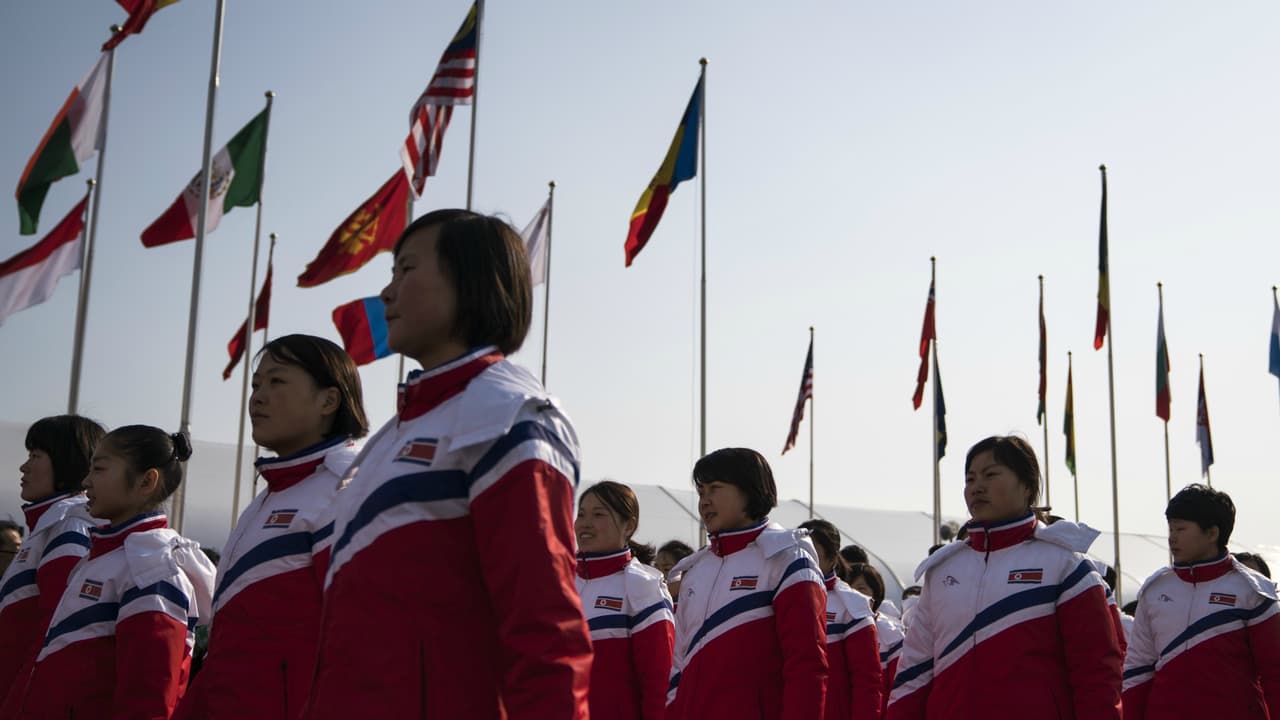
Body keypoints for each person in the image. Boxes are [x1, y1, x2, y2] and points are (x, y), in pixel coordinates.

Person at [305, 210, 591, 719]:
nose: (387, 293)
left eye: (407, 270)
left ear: (471, 280)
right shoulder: (386, 442)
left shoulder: (504, 414)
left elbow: (545, 626)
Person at [176, 334, 368, 720]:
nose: (257, 397)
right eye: (256, 385)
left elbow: (362, 641)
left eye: (276, 382)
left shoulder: (346, 487)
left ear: (328, 400)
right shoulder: (269, 498)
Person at [887, 435, 1122, 719]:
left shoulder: (1066, 566)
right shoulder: (943, 570)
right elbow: (914, 671)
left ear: (1027, 485)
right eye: (970, 479)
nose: (977, 487)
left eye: (991, 475)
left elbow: (1096, 673)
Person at [6, 426, 215, 719]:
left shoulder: (152, 568)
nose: (86, 481)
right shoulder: (103, 556)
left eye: (99, 469)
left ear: (146, 481)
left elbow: (149, 698)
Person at [666, 448, 827, 720]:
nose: (704, 501)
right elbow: (677, 666)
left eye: (715, 488)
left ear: (751, 491)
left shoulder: (787, 559)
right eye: (701, 491)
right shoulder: (694, 570)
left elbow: (806, 666)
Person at [1122, 484, 1280, 718]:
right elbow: (1138, 669)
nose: (1172, 538)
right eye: (1170, 529)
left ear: (1212, 533)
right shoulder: (1155, 590)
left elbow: (1274, 672)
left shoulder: (1253, 591)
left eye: (1181, 529)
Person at [0, 415, 104, 705]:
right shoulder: (51, 524)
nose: (24, 466)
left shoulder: (68, 526)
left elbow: (54, 635)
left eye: (35, 455)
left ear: (66, 461)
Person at [574, 481, 674, 720]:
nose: (585, 523)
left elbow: (658, 681)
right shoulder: (560, 582)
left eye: (599, 514)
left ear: (629, 526)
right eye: (581, 514)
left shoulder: (642, 586)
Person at [799, 519, 882, 719]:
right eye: (800, 548)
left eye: (812, 550)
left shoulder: (852, 605)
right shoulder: (778, 597)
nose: (803, 556)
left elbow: (867, 681)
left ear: (832, 557)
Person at [848, 562, 904, 719]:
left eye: (861, 589)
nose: (853, 594)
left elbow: (898, 688)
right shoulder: (834, 628)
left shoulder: (890, 633)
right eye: (848, 588)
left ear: (876, 592)